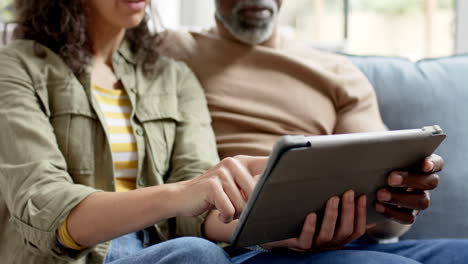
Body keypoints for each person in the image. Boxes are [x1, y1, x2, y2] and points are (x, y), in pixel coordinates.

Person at [159, 0, 468, 263]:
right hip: (249, 242)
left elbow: (387, 218)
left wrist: (400, 195)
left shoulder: (336, 72)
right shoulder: (167, 52)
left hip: (351, 239)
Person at [0, 0, 278, 263]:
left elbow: (199, 204)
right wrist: (180, 194)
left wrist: (273, 229)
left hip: (163, 251)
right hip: (79, 257)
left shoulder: (173, 77)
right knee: (197, 255)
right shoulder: (16, 67)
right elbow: (45, 208)